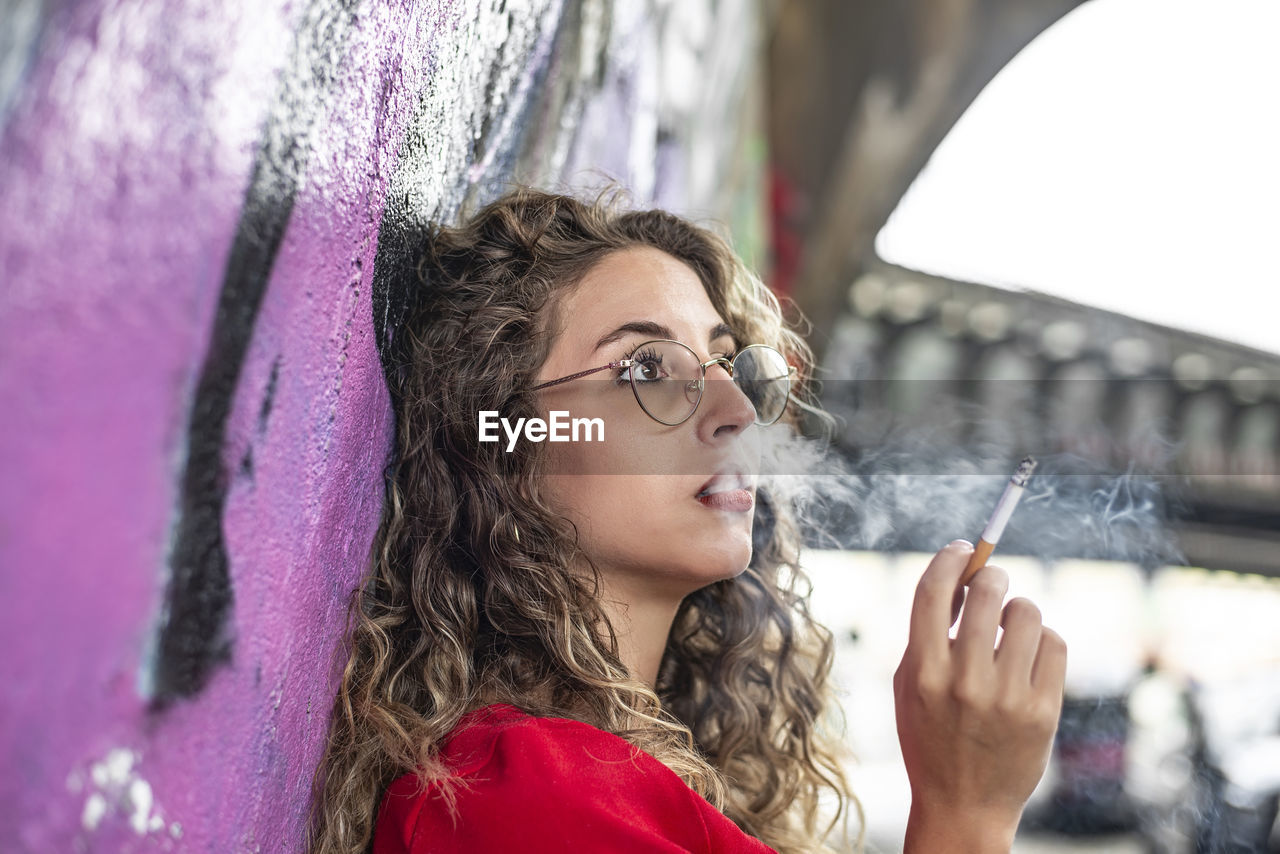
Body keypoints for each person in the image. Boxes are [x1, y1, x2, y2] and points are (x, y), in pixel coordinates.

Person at [307, 188, 1067, 853]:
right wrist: (967, 812)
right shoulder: (513, 799)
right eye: (644, 369)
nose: (737, 412)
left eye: (729, 365)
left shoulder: (633, 777)